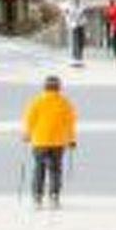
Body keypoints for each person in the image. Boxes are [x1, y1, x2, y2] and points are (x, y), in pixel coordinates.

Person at [21, 73, 77, 209]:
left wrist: (27, 135)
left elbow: (30, 119)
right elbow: (70, 123)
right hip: (58, 142)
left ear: (45, 87)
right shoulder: (65, 103)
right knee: (55, 170)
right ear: (59, 87)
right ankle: (54, 196)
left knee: (39, 169)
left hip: (40, 141)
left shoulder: (37, 101)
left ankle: (37, 197)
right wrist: (71, 140)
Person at [62, 0, 89, 66]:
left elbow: (84, 14)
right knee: (74, 41)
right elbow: (67, 15)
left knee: (81, 41)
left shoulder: (82, 5)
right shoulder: (68, 5)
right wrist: (70, 23)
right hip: (73, 25)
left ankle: (80, 57)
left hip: (81, 24)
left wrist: (83, 20)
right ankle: (74, 58)